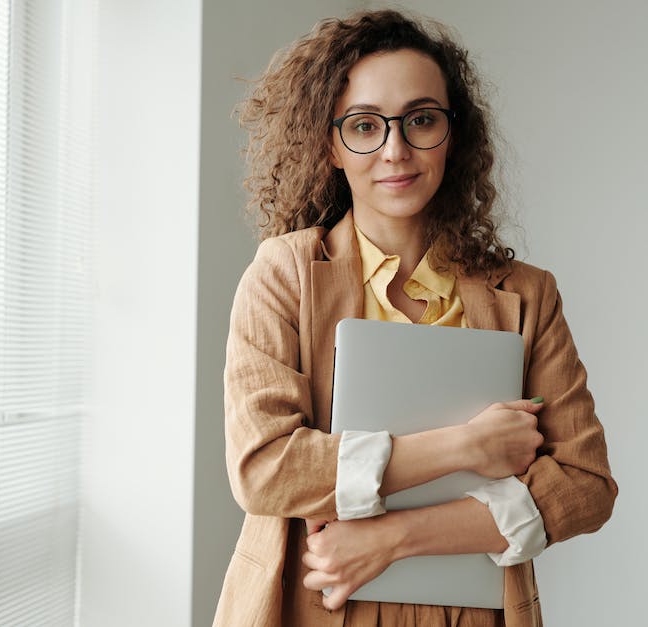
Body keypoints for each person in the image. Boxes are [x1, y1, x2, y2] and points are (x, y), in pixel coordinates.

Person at [215, 9, 617, 627]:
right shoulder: (285, 274)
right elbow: (266, 469)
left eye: (421, 120)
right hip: (308, 605)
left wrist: (391, 537)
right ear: (329, 143)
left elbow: (586, 487)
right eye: (365, 125)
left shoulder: (528, 296)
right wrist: (466, 445)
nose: (395, 150)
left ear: (453, 135)